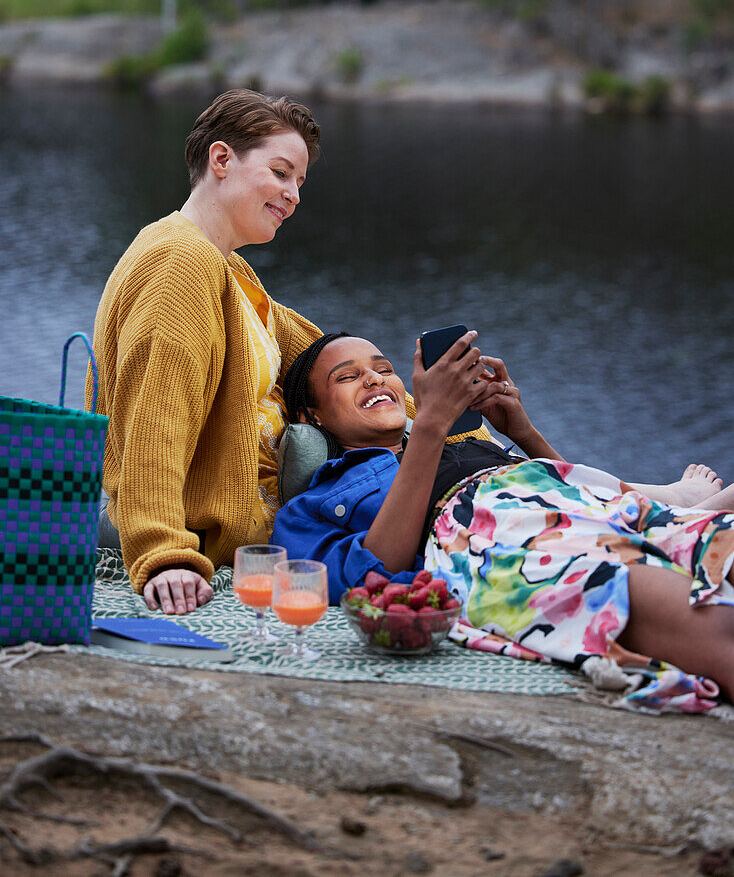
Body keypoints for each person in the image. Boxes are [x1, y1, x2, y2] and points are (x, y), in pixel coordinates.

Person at [271, 332, 734, 708]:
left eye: (384, 369)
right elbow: (375, 576)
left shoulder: (465, 444)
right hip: (495, 546)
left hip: (575, 509)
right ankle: (684, 511)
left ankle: (684, 512)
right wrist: (430, 423)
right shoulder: (316, 502)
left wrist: (521, 432)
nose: (374, 379)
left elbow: (564, 487)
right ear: (313, 414)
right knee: (709, 621)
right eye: (348, 377)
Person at [88, 89, 327, 617]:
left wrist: (443, 409)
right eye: (281, 172)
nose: (294, 195)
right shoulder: (179, 263)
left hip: (272, 536)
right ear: (222, 159)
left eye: (300, 183)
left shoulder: (227, 268)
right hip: (220, 546)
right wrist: (162, 552)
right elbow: (155, 415)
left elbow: (325, 360)